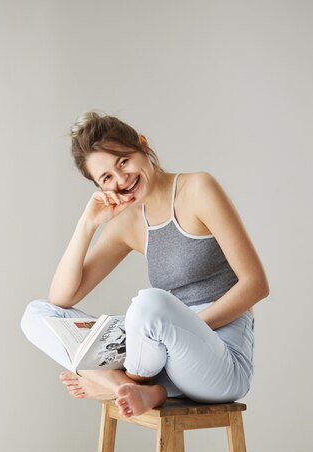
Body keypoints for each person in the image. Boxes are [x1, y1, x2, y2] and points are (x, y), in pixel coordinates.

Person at [21, 111, 269, 419]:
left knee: (149, 303)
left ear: (142, 145)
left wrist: (180, 329)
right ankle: (128, 386)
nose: (121, 179)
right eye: (106, 178)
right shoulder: (129, 223)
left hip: (220, 359)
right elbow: (62, 298)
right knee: (37, 314)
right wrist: (87, 224)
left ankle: (126, 382)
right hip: (159, 347)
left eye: (123, 161)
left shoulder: (198, 189)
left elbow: (256, 284)